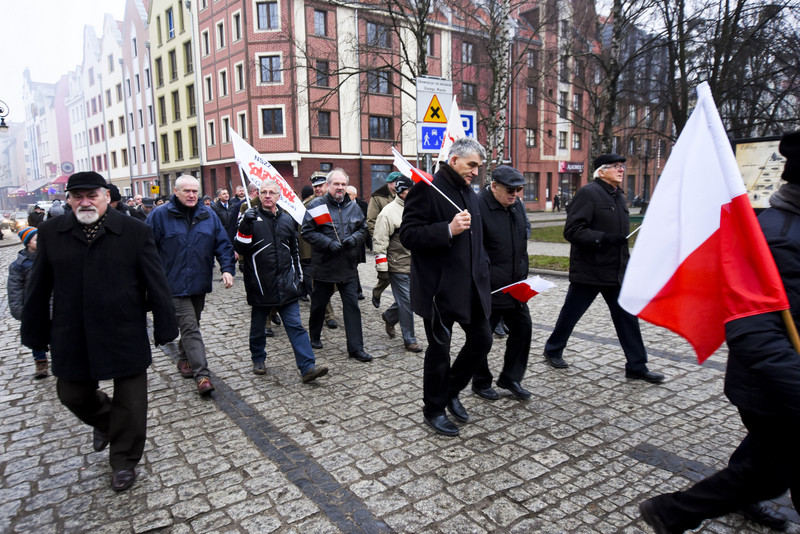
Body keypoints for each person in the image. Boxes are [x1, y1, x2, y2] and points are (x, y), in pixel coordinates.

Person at [639, 131, 800, 534]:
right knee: (767, 469)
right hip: (773, 389)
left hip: (780, 394)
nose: (620, 171)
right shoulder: (778, 237)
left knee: (765, 468)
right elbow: (753, 332)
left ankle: (674, 511)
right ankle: (673, 510)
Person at [21, 171, 178, 492]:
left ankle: (124, 460)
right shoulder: (52, 232)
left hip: (124, 329)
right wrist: (35, 332)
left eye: (92, 195)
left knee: (132, 405)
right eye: (77, 196)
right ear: (68, 200)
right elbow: (38, 287)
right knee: (71, 394)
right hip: (72, 331)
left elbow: (156, 280)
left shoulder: (134, 231)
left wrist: (165, 323)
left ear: (107, 196)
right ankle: (107, 422)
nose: (85, 202)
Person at [542, 153, 665, 384]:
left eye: (622, 166)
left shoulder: (619, 196)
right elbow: (572, 231)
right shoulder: (589, 193)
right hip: (590, 271)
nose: (621, 170)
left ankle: (637, 365)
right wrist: (604, 239)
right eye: (616, 167)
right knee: (571, 314)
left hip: (615, 272)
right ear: (602, 171)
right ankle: (553, 349)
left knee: (628, 317)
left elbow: (621, 237)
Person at [399, 137, 493, 437]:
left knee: (483, 340)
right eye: (471, 165)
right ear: (454, 160)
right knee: (440, 351)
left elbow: (478, 239)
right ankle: (434, 409)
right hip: (439, 289)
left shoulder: (470, 193)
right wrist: (447, 230)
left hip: (472, 288)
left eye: (478, 167)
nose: (476, 172)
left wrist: (485, 267)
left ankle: (451, 390)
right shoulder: (426, 190)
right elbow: (409, 236)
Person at [146, 174, 236, 396]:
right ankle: (202, 375)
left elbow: (223, 244)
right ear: (176, 192)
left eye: (195, 191)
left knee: (192, 323)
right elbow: (145, 249)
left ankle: (184, 358)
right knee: (190, 327)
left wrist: (226, 268)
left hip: (199, 282)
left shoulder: (208, 215)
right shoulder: (159, 215)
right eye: (186, 190)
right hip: (172, 284)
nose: (191, 195)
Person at [235, 179, 329, 382]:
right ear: (258, 195)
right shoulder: (250, 218)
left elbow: (295, 250)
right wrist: (244, 225)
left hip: (287, 285)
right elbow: (240, 248)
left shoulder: (287, 220)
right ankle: (258, 359)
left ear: (279, 196)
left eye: (272, 192)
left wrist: (298, 278)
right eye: (264, 192)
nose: (268, 195)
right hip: (260, 284)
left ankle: (307, 367)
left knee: (295, 326)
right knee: (258, 327)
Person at [472, 165, 534, 401]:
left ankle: (511, 378)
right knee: (482, 339)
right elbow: (474, 251)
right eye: (510, 189)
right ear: (494, 186)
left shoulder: (516, 205)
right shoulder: (478, 206)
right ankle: (480, 381)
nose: (515, 194)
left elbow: (521, 241)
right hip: (489, 289)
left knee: (523, 329)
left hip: (516, 286)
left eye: (518, 189)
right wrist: (484, 280)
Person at [301, 168, 372, 362]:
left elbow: (363, 228)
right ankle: (314, 336)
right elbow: (306, 232)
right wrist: (327, 243)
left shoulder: (354, 207)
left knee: (352, 307)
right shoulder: (316, 205)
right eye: (336, 184)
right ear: (328, 186)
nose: (340, 188)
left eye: (343, 184)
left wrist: (355, 239)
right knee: (318, 306)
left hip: (348, 268)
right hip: (324, 267)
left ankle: (356, 348)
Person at [372, 175, 422, 353]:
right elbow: (379, 243)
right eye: (408, 190)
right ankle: (410, 339)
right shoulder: (387, 212)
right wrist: (383, 270)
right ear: (401, 192)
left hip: (416, 265)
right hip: (397, 266)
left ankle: (390, 316)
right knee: (408, 302)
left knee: (413, 300)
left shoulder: (417, 208)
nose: (411, 192)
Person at [8, 226, 48, 378]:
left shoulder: (49, 258)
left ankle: (60, 360)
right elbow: (15, 289)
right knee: (37, 337)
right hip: (34, 307)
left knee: (56, 334)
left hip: (53, 305)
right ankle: (41, 362)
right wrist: (19, 310)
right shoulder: (19, 265)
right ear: (27, 243)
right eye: (37, 240)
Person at [299, 172, 339, 327]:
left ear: (327, 185)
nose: (317, 189)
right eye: (315, 186)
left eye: (320, 186)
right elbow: (302, 230)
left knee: (333, 285)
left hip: (332, 252)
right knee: (317, 287)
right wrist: (304, 254)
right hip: (312, 253)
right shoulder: (309, 205)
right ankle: (328, 316)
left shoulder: (334, 203)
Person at [367, 171, 400, 308]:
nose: (398, 185)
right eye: (395, 183)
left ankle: (398, 305)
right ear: (389, 183)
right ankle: (377, 291)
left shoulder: (404, 195)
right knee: (384, 274)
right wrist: (380, 238)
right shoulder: (378, 198)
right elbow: (371, 220)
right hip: (384, 242)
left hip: (401, 244)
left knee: (401, 274)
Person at [346, 185, 368, 300]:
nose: (346, 196)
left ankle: (356, 290)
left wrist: (370, 243)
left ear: (354, 195)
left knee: (354, 266)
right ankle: (357, 290)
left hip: (358, 241)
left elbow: (366, 225)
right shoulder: (342, 205)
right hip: (347, 242)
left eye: (349, 194)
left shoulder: (362, 206)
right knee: (352, 266)